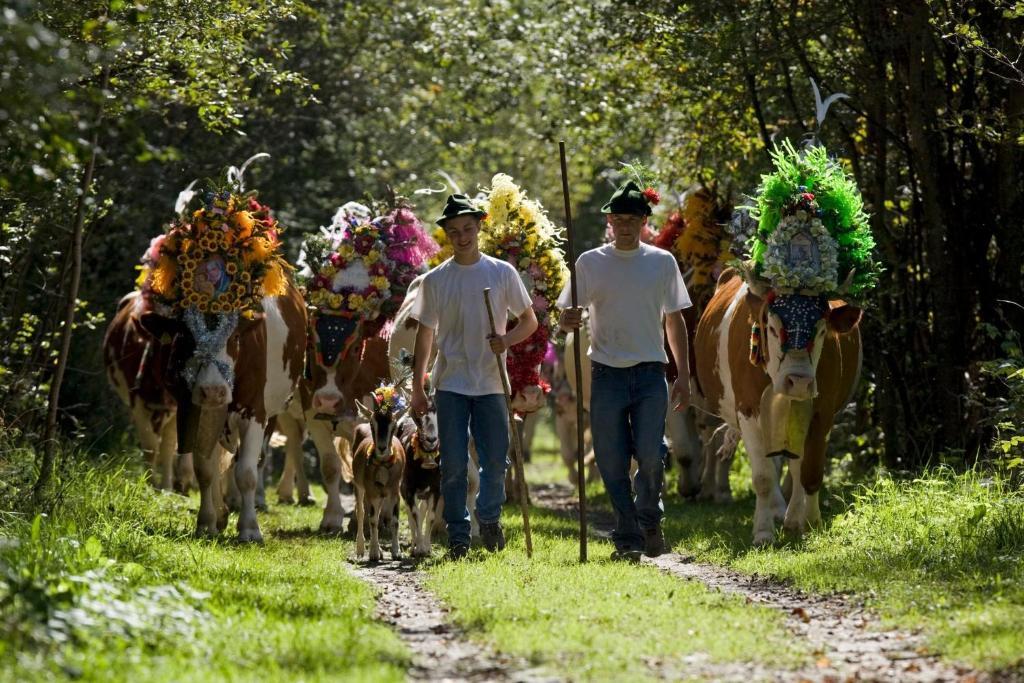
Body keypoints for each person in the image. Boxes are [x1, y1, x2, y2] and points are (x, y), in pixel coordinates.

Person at [558, 180, 691, 562]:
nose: (625, 225)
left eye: (633, 218)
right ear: (609, 222)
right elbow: (568, 318)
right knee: (611, 460)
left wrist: (682, 375)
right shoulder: (589, 262)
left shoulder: (661, 262)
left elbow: (675, 321)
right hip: (606, 372)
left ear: (645, 221)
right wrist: (568, 319)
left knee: (650, 454)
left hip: (651, 372)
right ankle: (628, 534)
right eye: (618, 218)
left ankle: (650, 519)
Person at [410, 193, 538, 560]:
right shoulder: (435, 281)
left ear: (479, 226)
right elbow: (425, 335)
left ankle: (490, 517)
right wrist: (418, 386)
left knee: (496, 459)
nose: (462, 236)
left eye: (467, 228)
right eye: (454, 231)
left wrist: (506, 340)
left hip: (492, 383)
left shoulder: (501, 272)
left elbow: (528, 321)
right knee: (451, 464)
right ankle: (459, 534)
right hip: (450, 383)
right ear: (446, 234)